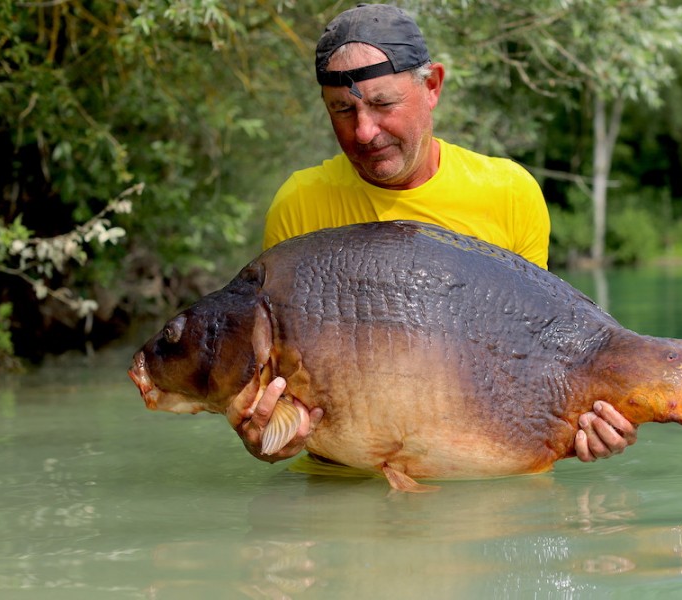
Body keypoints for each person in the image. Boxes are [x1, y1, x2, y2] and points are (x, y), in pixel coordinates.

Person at [230, 3, 637, 468]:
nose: (364, 131)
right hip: (339, 498)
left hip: (486, 492)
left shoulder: (509, 193)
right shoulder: (299, 205)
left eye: (383, 104)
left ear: (432, 86)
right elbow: (273, 389)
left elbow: (535, 360)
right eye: (342, 110)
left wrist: (589, 420)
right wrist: (265, 435)